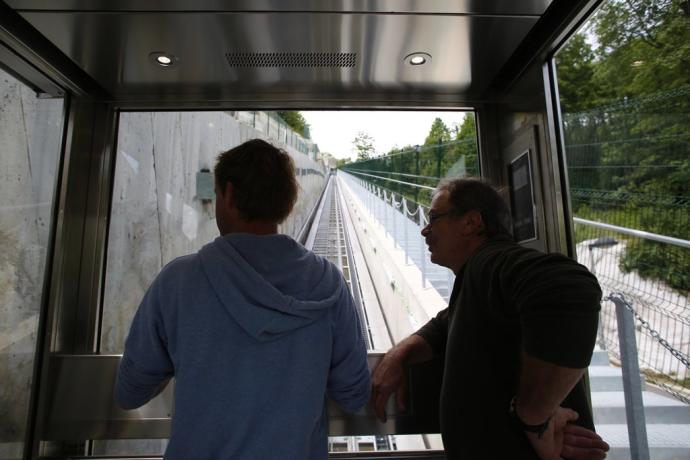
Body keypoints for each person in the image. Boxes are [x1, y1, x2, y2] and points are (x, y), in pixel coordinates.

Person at [115, 139, 370, 460]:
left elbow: (129, 393)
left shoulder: (178, 282)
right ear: (288, 203)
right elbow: (354, 394)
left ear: (230, 195)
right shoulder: (329, 283)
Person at [371, 178, 610, 459]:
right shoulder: (476, 283)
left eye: (434, 218)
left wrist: (533, 417)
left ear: (471, 223)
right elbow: (444, 325)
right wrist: (400, 352)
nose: (424, 230)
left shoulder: (489, 261)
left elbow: (569, 288)